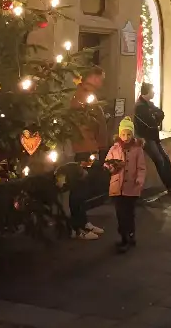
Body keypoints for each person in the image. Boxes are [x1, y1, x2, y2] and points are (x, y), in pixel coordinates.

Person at [68, 67, 110, 239]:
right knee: (79, 188)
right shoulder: (82, 96)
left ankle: (83, 221)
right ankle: (77, 228)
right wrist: (94, 144)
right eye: (101, 78)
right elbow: (84, 125)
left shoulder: (89, 95)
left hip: (90, 147)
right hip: (85, 149)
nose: (102, 82)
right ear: (92, 77)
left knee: (84, 188)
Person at [134, 82, 171, 195]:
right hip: (147, 138)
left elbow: (161, 114)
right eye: (152, 90)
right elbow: (150, 123)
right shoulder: (140, 106)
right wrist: (155, 118)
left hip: (154, 137)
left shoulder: (149, 104)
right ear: (147, 92)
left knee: (165, 159)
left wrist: (155, 118)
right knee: (160, 160)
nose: (154, 92)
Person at [104, 117, 146, 253]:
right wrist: (111, 167)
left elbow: (141, 167)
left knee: (129, 213)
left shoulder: (137, 149)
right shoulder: (115, 148)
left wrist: (139, 179)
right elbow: (107, 162)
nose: (126, 137)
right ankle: (125, 237)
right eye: (123, 134)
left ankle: (129, 236)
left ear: (132, 134)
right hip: (117, 187)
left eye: (129, 134)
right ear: (119, 134)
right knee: (120, 214)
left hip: (131, 187)